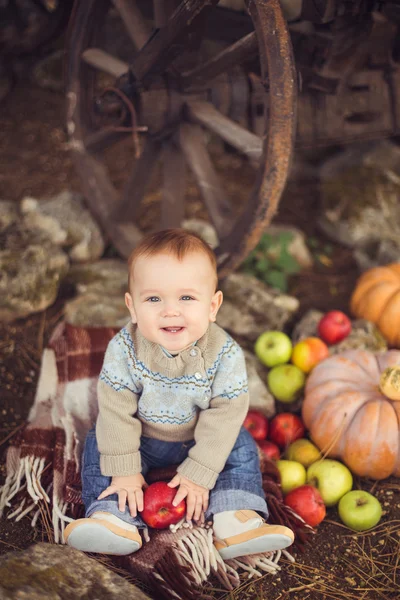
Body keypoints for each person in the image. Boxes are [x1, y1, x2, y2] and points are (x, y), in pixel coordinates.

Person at [64, 229, 294, 558]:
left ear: (213, 305)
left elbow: (226, 412)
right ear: (132, 306)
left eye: (186, 298)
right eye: (153, 299)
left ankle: (235, 519)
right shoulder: (124, 349)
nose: (170, 310)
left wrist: (200, 471)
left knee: (239, 442)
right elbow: (117, 408)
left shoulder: (225, 354)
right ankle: (112, 518)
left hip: (199, 438)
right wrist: (126, 468)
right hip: (142, 436)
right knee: (100, 440)